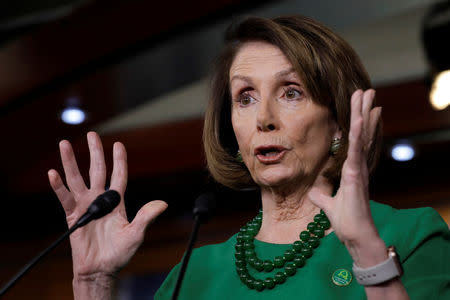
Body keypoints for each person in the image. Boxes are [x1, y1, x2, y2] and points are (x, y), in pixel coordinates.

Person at [48, 16, 450, 299]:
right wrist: (94, 284)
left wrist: (367, 253)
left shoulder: (410, 235)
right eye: (245, 97)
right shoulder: (192, 274)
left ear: (340, 122)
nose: (263, 119)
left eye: (291, 91)